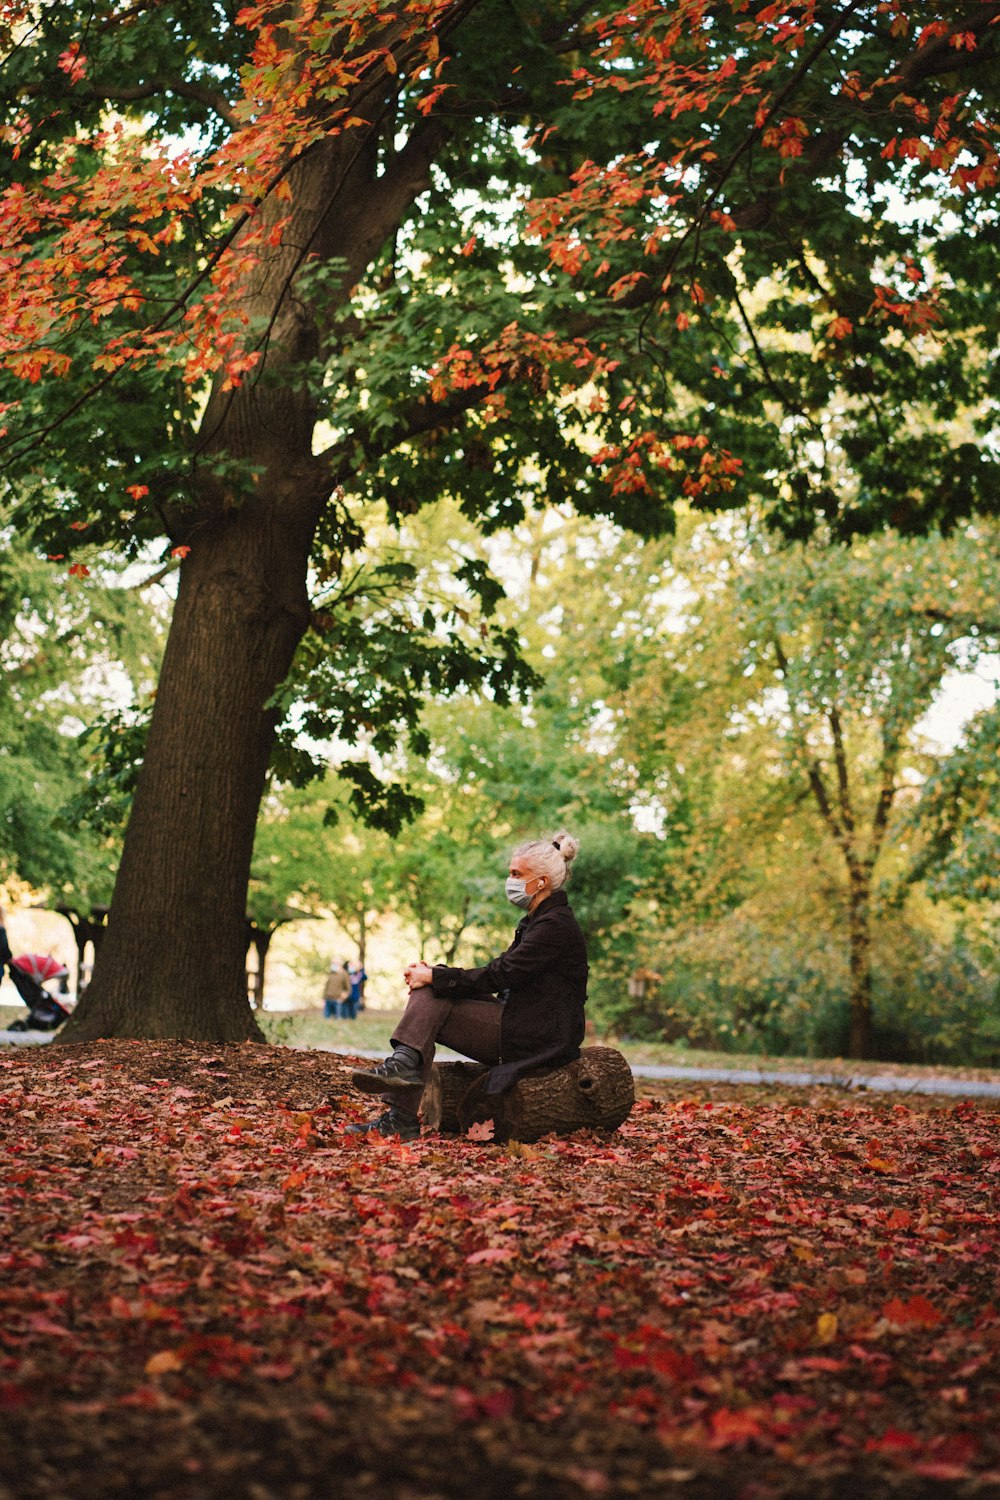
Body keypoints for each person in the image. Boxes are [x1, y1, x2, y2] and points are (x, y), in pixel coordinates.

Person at [346, 831, 587, 1139]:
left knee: (434, 987)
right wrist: (436, 973)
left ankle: (402, 1090)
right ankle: (403, 1072)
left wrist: (434, 977)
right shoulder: (539, 920)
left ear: (540, 882)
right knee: (437, 984)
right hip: (522, 1021)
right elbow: (501, 974)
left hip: (535, 1037)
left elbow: (500, 974)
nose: (510, 880)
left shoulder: (554, 926)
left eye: (516, 874)